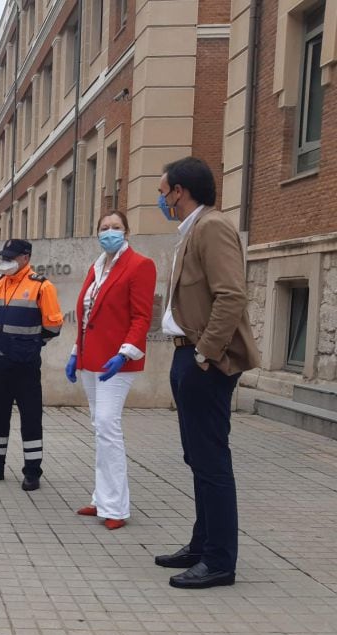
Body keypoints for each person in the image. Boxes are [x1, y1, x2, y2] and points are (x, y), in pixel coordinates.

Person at [153, 156, 260, 589]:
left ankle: (219, 561)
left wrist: (205, 354)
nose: (162, 199)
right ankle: (202, 544)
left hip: (204, 360)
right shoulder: (191, 231)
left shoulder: (212, 227)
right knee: (196, 457)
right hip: (189, 356)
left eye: (163, 192)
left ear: (180, 191)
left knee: (211, 461)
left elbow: (231, 295)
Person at [65, 211, 157, 530]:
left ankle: (116, 507)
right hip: (91, 359)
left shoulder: (140, 265)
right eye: (104, 228)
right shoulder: (97, 266)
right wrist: (76, 352)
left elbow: (141, 317)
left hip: (117, 361)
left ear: (127, 232)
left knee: (107, 425)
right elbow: (87, 314)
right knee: (99, 427)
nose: (109, 232)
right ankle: (101, 498)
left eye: (116, 228)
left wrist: (124, 353)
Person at [0, 238, 63, 491]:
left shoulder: (42, 287)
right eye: (3, 257)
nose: (5, 262)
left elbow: (53, 326)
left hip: (26, 365)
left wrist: (31, 343)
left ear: (25, 258)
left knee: (30, 418)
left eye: (10, 257)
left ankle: (32, 471)